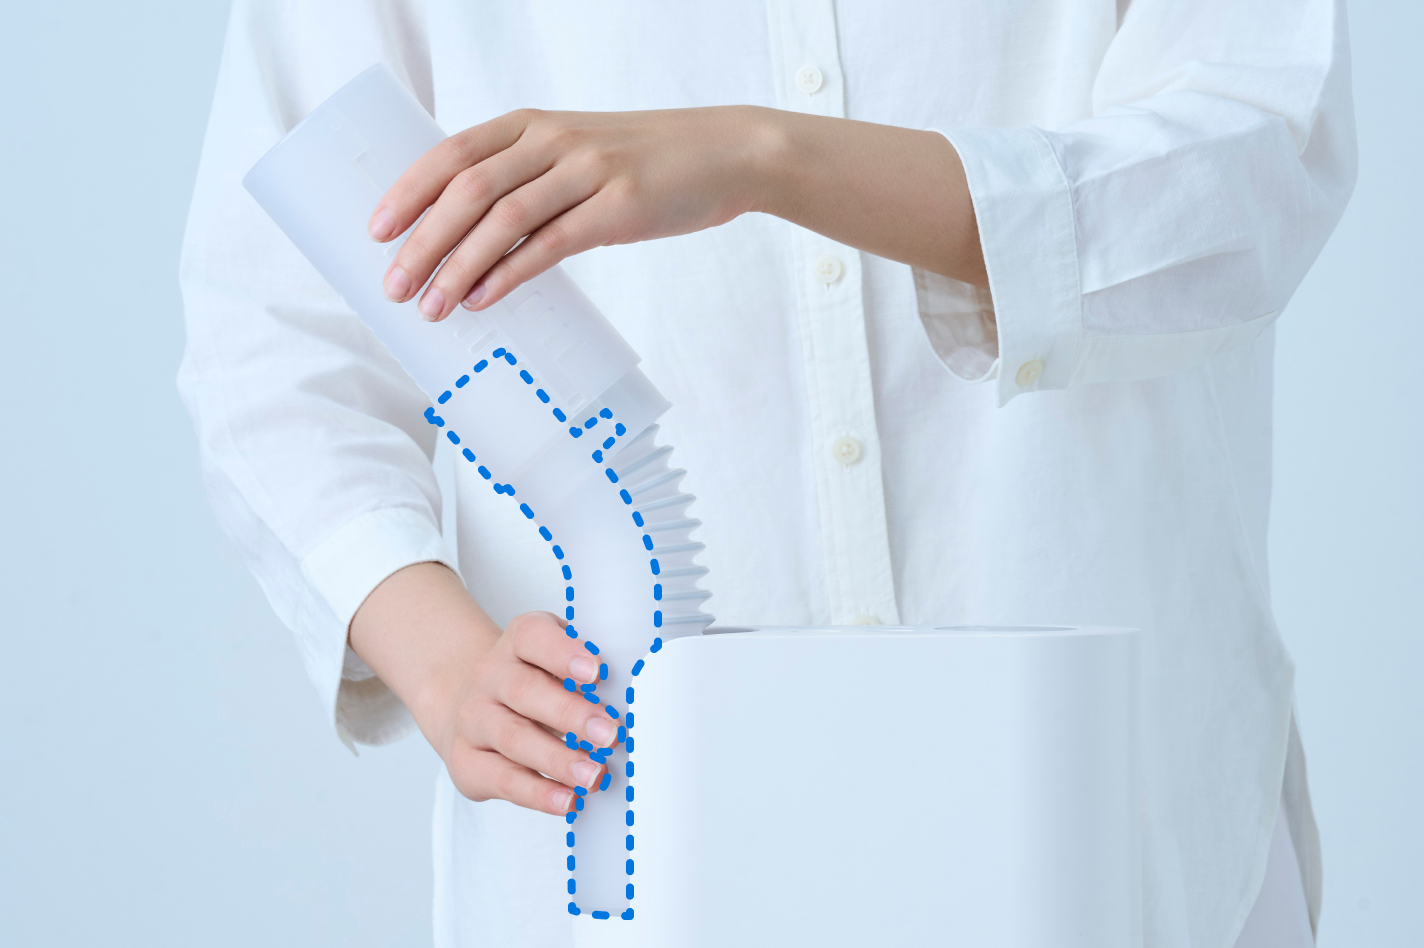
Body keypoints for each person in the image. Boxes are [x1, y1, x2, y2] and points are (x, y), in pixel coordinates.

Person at [178, 0, 1354, 945]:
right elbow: (274, 327)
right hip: (623, 846)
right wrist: (445, 664)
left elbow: (1256, 157)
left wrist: (767, 156)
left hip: (1125, 828)